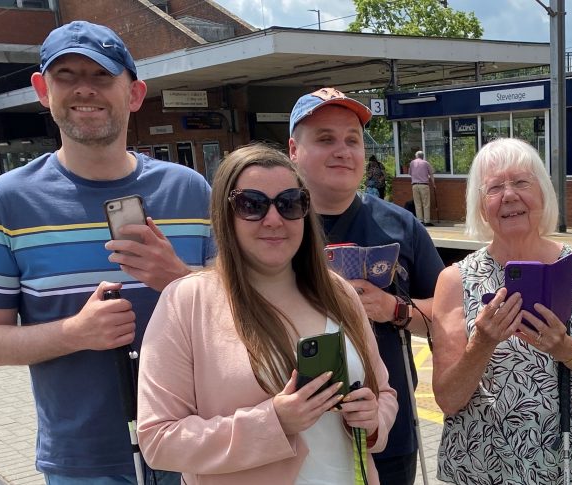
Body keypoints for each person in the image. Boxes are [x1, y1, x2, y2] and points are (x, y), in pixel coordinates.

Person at [0, 21, 213, 483]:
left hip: (199, 443)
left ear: (134, 94)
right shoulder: (6, 201)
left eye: (101, 76)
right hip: (83, 463)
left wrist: (181, 279)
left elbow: (244, 308)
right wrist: (75, 332)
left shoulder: (190, 191)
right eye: (67, 76)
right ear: (42, 89)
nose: (84, 90)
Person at [136, 144, 398, 483]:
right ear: (225, 215)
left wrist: (374, 420)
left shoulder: (339, 293)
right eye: (252, 205)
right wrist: (272, 422)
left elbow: (385, 393)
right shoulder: (187, 302)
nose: (273, 219)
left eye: (290, 203)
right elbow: (159, 439)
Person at [431, 138, 572, 484]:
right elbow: (447, 399)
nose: (509, 195)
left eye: (521, 182)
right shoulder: (454, 280)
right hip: (485, 468)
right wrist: (483, 343)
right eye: (494, 188)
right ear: (480, 207)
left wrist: (564, 349)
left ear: (543, 194)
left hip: (569, 465)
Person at [288, 87, 444, 485]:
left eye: (352, 140)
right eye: (325, 139)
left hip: (385, 433)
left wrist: (394, 309)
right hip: (294, 439)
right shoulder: (271, 228)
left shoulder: (402, 226)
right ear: (293, 150)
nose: (342, 150)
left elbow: (446, 319)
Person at [408, 150, 435, 226]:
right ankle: (427, 221)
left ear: (416, 156)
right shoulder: (426, 163)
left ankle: (420, 221)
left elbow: (410, 173)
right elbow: (431, 174)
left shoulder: (412, 163)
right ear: (422, 156)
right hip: (424, 185)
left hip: (414, 185)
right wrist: (433, 184)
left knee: (417, 204)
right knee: (426, 204)